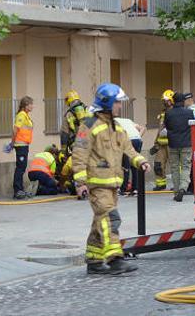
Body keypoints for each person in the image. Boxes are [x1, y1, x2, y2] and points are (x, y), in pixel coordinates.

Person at [73, 83, 150, 275]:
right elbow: (79, 153)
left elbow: (128, 148)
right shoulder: (89, 125)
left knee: (100, 221)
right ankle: (115, 259)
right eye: (117, 102)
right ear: (106, 103)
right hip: (97, 185)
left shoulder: (116, 126)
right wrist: (80, 183)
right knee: (110, 218)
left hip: (112, 184)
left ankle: (94, 260)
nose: (119, 106)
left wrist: (140, 161)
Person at [164, 92, 195, 202]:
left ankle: (177, 190)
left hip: (173, 144)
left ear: (173, 101)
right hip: (186, 144)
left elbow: (167, 126)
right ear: (183, 101)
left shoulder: (168, 113)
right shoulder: (189, 112)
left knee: (175, 167)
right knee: (186, 166)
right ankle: (183, 188)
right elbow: (192, 126)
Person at [11, 96, 34, 200]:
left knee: (22, 167)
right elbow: (15, 129)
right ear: (26, 105)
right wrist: (12, 142)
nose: (32, 106)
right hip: (20, 146)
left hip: (24, 145)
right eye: (31, 104)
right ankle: (17, 190)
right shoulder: (21, 115)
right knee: (20, 168)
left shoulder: (26, 115)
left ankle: (20, 189)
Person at [114, 117, 145, 196]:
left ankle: (122, 189)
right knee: (135, 165)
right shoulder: (128, 121)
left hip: (128, 141)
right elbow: (143, 128)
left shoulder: (112, 121)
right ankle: (135, 189)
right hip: (137, 140)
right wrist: (138, 136)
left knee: (125, 165)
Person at [150, 90, 174, 191]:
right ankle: (161, 184)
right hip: (161, 144)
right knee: (158, 164)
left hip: (172, 143)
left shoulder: (175, 112)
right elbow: (160, 129)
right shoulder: (163, 113)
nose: (164, 102)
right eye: (164, 101)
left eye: (166, 100)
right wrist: (155, 143)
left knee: (175, 165)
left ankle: (177, 185)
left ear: (171, 100)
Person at [60, 90, 91, 155]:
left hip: (77, 145)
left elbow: (64, 134)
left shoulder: (68, 114)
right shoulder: (88, 110)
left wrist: (63, 152)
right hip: (91, 143)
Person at [184, 95, 195, 194]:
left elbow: (193, 126)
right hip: (192, 139)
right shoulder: (194, 110)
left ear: (189, 100)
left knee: (192, 165)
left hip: (192, 140)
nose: (184, 103)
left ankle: (192, 188)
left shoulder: (193, 111)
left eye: (185, 101)